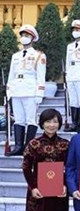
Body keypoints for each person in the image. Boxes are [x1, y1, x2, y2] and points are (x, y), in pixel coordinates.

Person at [6, 24, 45, 156]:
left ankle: (29, 148)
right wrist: (9, 89)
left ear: (33, 38)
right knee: (18, 119)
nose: (24, 38)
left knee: (30, 120)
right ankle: (18, 147)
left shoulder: (39, 55)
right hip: (17, 89)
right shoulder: (15, 56)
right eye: (22, 35)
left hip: (30, 90)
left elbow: (41, 75)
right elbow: (11, 74)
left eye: (27, 35)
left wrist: (40, 92)